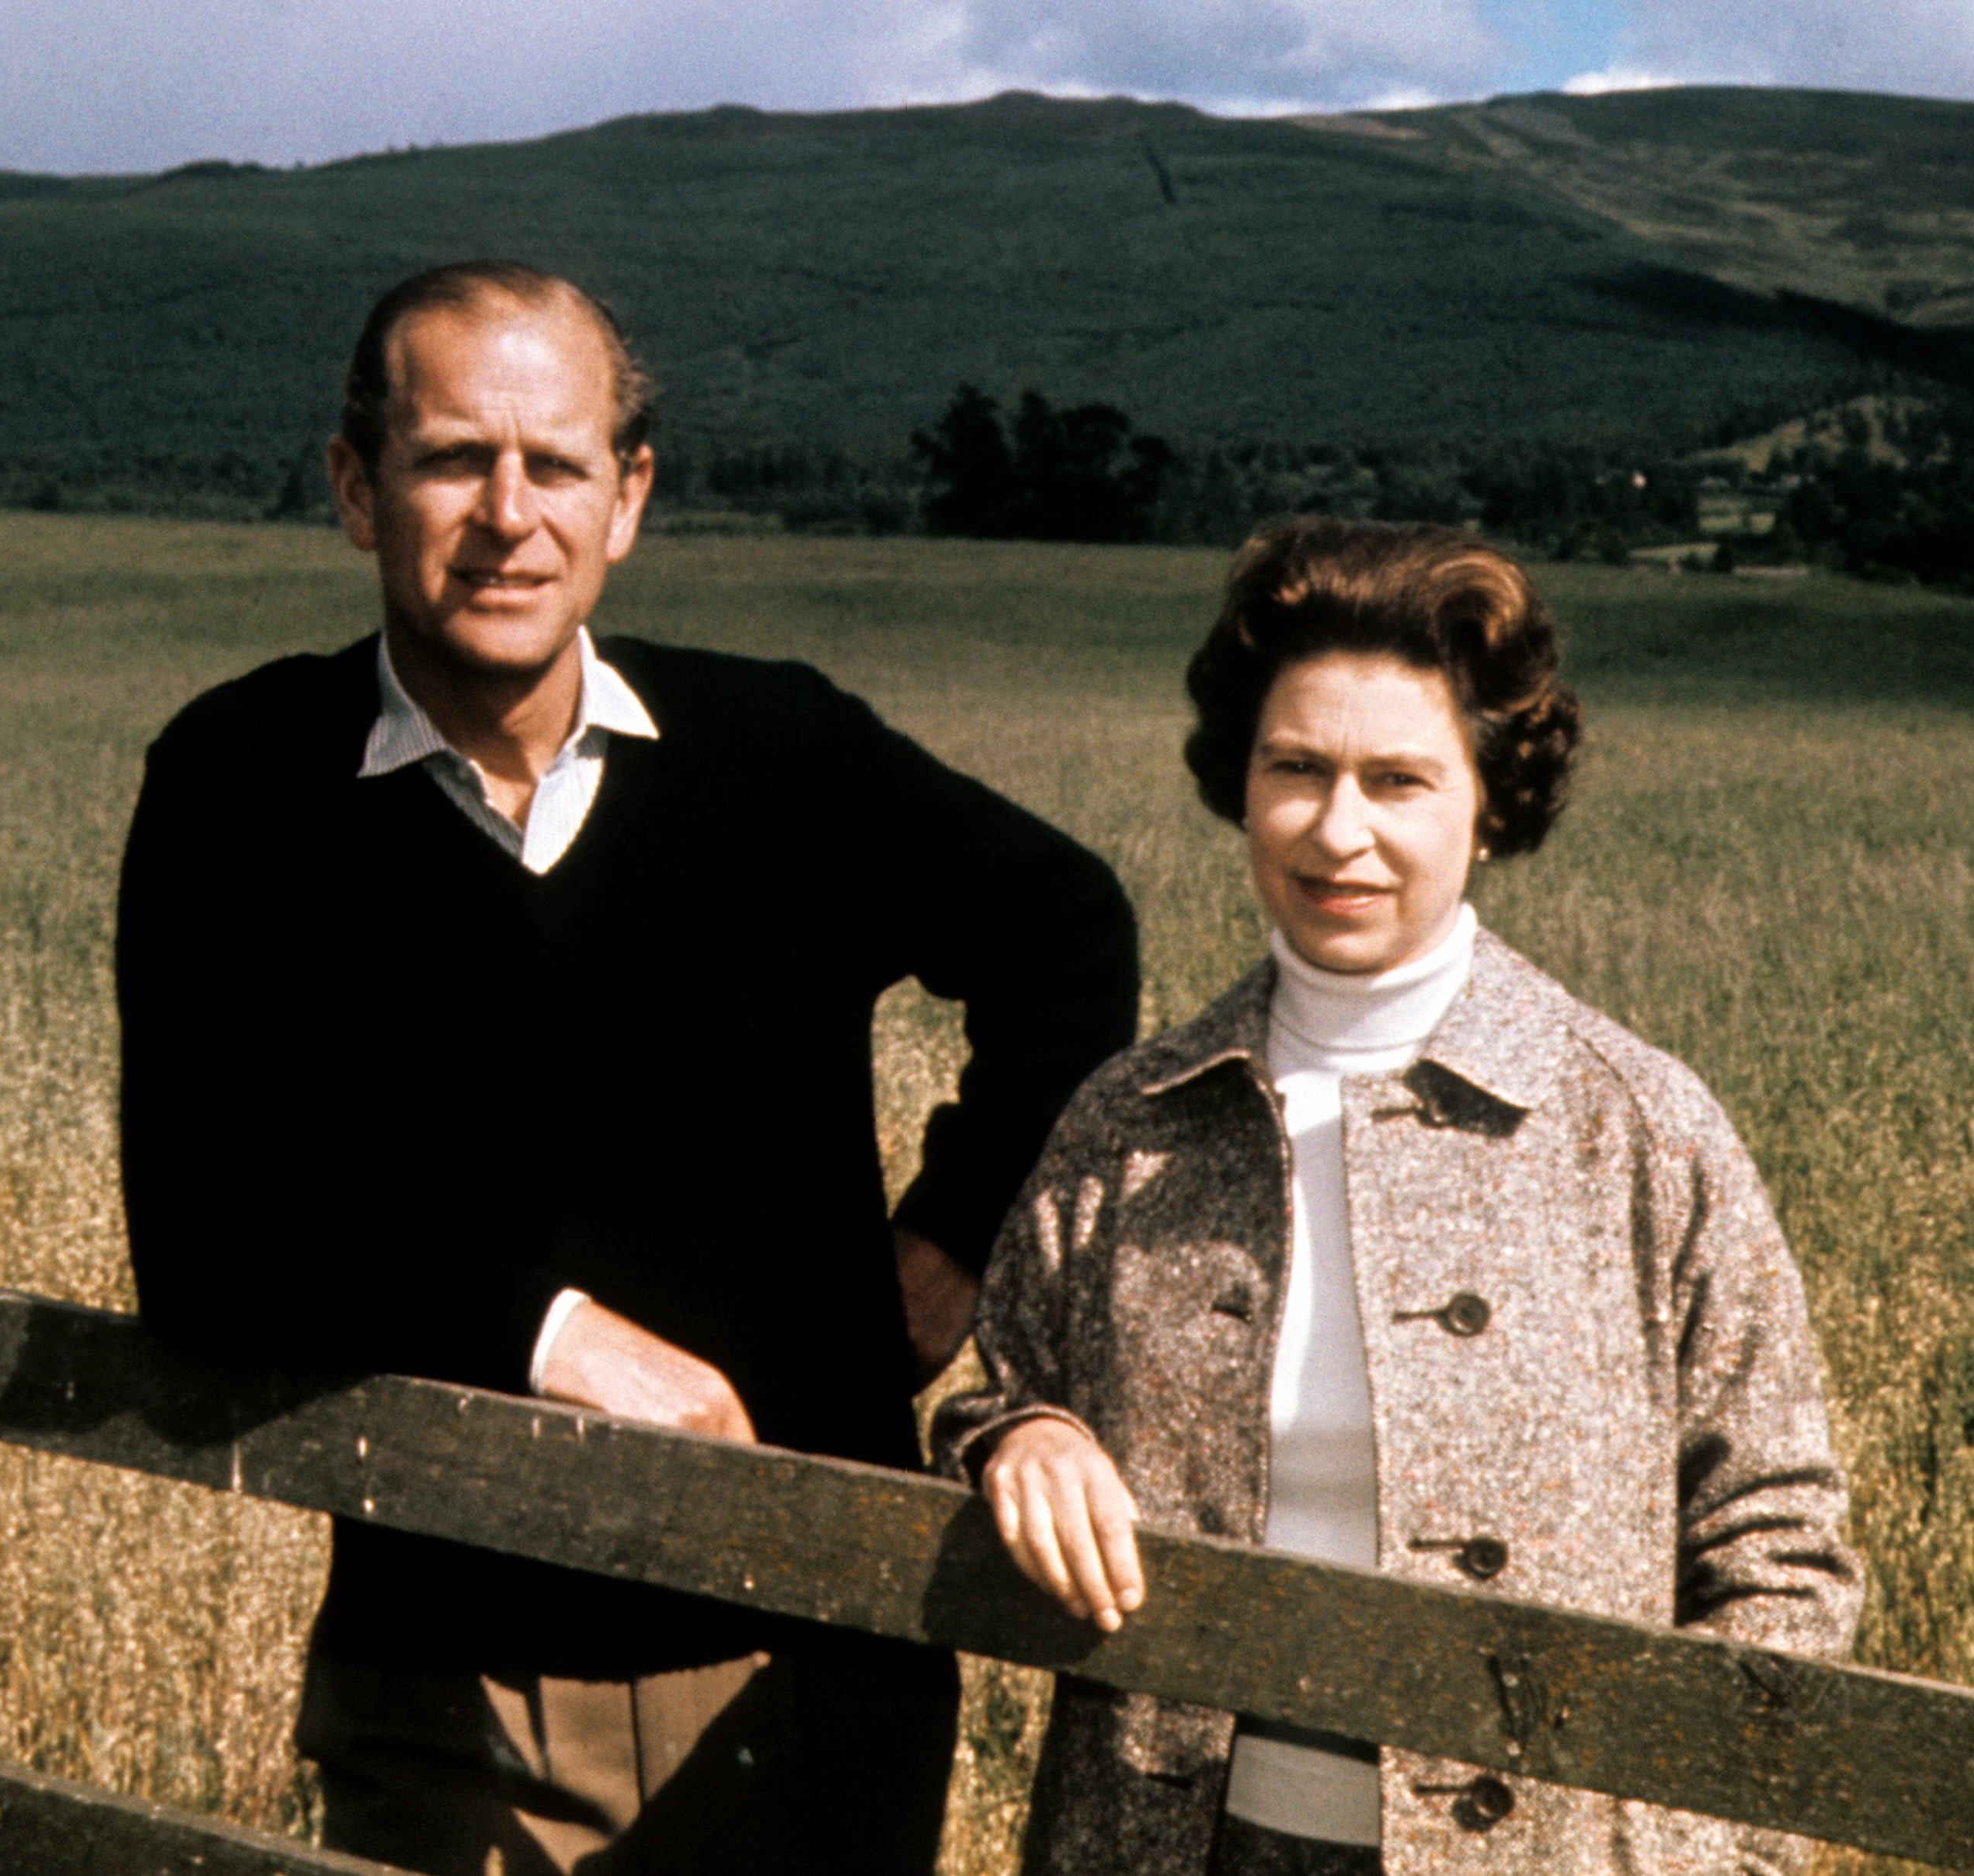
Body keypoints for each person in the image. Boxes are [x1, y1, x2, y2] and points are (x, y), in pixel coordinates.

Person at [115, 260, 1140, 1874]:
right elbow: (205, 1236)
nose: (504, 514)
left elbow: (1067, 931)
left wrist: (947, 1242)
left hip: (820, 1642)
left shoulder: (777, 755)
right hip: (466, 1670)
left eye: (557, 464)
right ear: (353, 486)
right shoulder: (246, 784)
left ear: (628, 497)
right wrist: (553, 1335)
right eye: (452, 457)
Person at [933, 519, 1862, 1876]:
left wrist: (1700, 1852)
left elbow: (1779, 1552)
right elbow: (991, 1395)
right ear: (1237, 784)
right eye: (1295, 768)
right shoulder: (1127, 1123)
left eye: (1400, 780)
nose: (1338, 830)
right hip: (1171, 1844)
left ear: (1488, 805)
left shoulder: (1638, 1128)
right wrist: (1023, 1436)